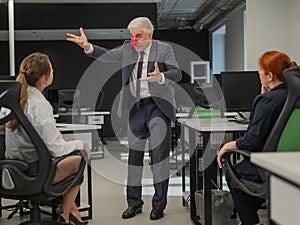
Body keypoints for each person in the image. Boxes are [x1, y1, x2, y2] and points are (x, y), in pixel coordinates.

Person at [67, 17, 182, 220]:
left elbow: (177, 73)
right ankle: (134, 203)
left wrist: (161, 77)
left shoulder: (163, 49)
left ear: (150, 35)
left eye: (139, 36)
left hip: (158, 107)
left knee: (158, 157)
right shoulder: (128, 49)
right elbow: (106, 55)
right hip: (136, 108)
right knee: (134, 158)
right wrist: (87, 47)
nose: (134, 40)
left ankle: (159, 205)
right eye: (132, 36)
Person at [5, 52, 92, 225]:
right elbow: (56, 148)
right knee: (81, 158)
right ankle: (65, 215)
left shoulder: (12, 99)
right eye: (52, 70)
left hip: (12, 168)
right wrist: (80, 143)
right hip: (35, 172)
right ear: (45, 78)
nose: (54, 72)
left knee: (69, 157)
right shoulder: (40, 104)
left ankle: (71, 212)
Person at [217, 50, 297, 225]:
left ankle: (250, 222)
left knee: (233, 171)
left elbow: (251, 140)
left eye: (260, 70)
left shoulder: (268, 100)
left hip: (269, 166)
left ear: (269, 75)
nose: (257, 73)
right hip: (291, 163)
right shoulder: (293, 97)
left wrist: (227, 146)